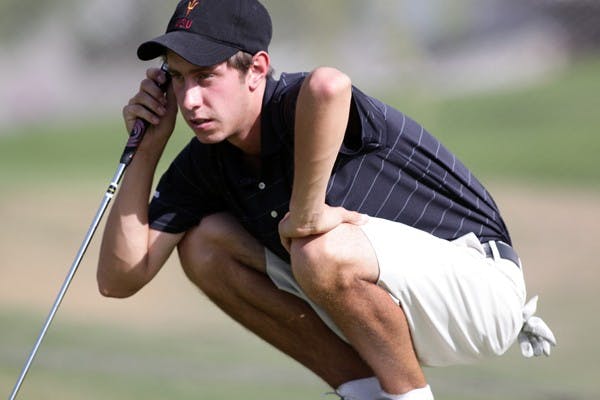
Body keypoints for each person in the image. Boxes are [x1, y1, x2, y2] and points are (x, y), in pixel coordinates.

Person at [97, 0, 556, 399]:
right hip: (383, 315)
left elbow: (330, 86)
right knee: (204, 244)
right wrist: (147, 149)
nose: (190, 99)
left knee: (318, 249)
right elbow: (119, 279)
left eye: (205, 76)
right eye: (176, 79)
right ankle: (365, 392)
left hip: (482, 291)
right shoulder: (207, 162)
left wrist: (308, 212)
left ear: (257, 69)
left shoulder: (294, 103)